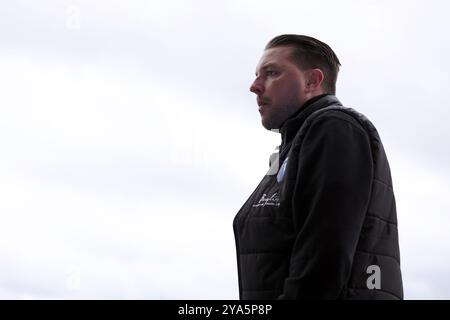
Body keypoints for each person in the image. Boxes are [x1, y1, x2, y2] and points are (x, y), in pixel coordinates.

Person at [233, 34, 403, 300]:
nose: (254, 86)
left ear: (312, 81)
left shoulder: (334, 127)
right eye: (257, 75)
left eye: (271, 73)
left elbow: (323, 261)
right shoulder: (290, 151)